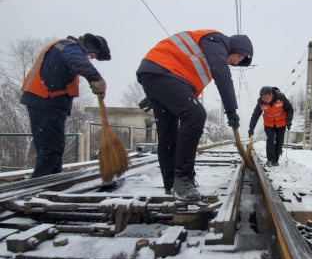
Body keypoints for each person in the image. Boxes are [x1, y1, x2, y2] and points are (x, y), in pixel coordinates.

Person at [136, 30, 253, 201]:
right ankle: (183, 177)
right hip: (163, 72)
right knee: (196, 115)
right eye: (240, 56)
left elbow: (187, 87)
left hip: (156, 74)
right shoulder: (217, 41)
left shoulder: (208, 55)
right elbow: (223, 76)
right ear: (235, 46)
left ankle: (171, 185)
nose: (236, 61)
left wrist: (159, 93)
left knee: (168, 133)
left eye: (241, 61)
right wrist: (231, 110)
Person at [20, 34, 111, 178]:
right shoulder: (68, 46)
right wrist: (95, 78)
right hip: (45, 101)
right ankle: (39, 187)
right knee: (49, 150)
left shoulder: (65, 47)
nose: (92, 58)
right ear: (90, 46)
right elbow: (78, 60)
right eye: (94, 55)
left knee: (55, 148)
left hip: (50, 103)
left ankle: (53, 182)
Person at [248, 86, 293, 167]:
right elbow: (255, 115)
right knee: (270, 140)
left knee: (279, 141)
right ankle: (270, 160)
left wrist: (288, 120)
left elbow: (289, 109)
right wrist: (251, 128)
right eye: (263, 98)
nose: (264, 100)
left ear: (271, 94)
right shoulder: (261, 102)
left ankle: (276, 160)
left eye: (266, 98)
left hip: (281, 123)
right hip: (269, 124)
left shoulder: (281, 98)